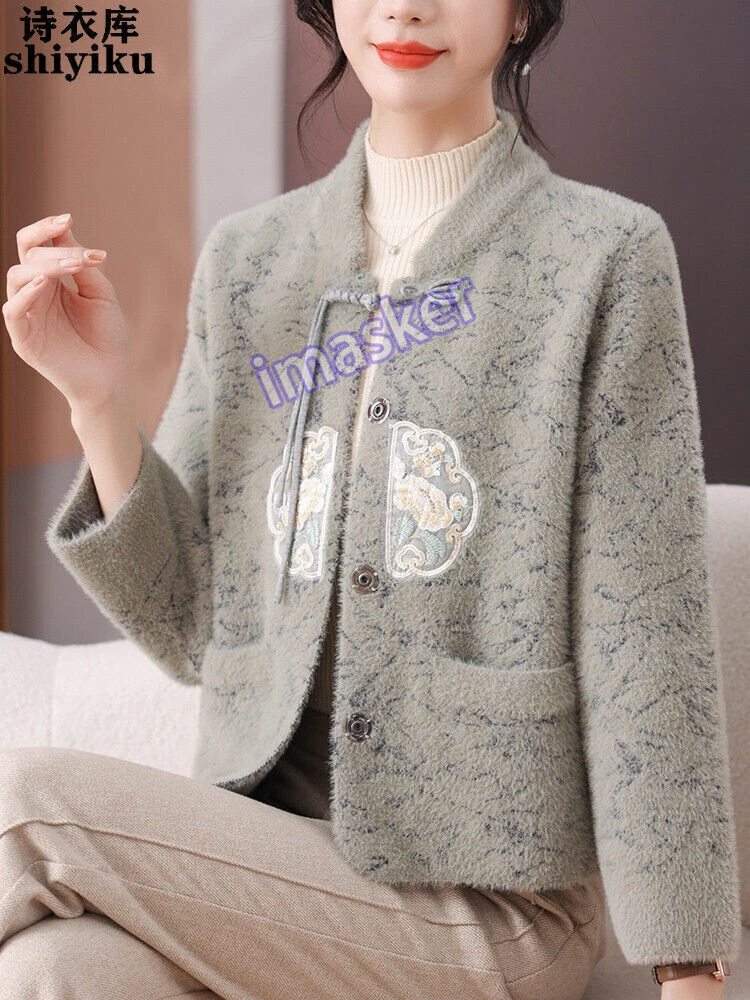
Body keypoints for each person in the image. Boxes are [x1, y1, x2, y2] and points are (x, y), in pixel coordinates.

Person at [0, 1, 742, 998]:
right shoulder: (250, 262)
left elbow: (646, 638)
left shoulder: (600, 258)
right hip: (265, 853)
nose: (405, 6)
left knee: (23, 807)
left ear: (523, 11)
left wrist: (689, 973)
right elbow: (192, 629)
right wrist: (95, 399)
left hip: (490, 904)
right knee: (56, 968)